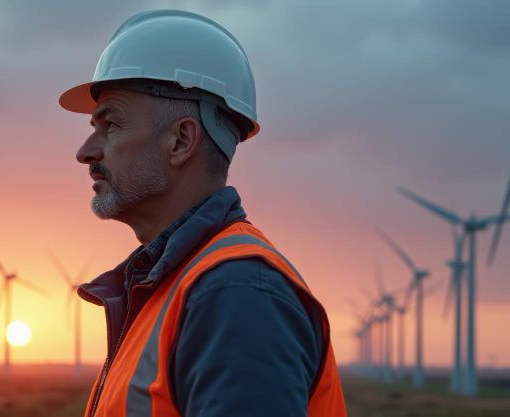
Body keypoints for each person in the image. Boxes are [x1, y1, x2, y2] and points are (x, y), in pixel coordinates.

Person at [58, 10, 347, 417]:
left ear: (180, 141)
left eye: (111, 125)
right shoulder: (172, 286)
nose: (85, 151)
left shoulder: (237, 294)